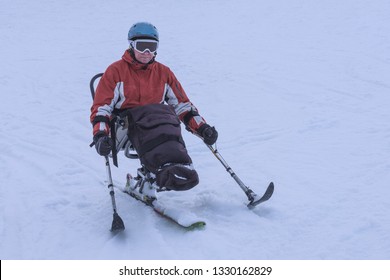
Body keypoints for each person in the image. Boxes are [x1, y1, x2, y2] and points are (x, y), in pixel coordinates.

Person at [90, 22, 218, 192]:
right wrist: (100, 135)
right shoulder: (116, 71)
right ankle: (162, 170)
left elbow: (182, 105)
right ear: (131, 45)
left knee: (168, 120)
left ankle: (179, 166)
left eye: (151, 47)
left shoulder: (163, 72)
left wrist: (202, 128)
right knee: (155, 121)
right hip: (125, 125)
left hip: (156, 122)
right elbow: (102, 108)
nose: (146, 53)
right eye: (141, 46)